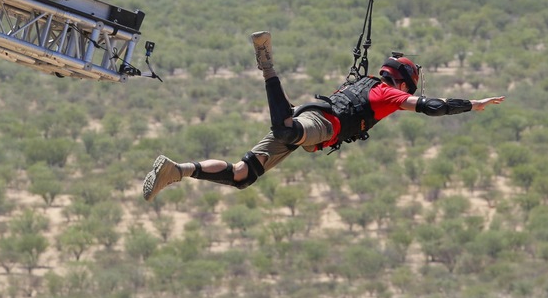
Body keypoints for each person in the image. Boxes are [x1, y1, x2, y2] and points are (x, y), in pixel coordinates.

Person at [142, 31, 504, 201]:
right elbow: (429, 106)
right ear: (405, 82)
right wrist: (472, 104)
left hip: (314, 123)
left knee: (242, 176)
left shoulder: (367, 82)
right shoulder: (387, 94)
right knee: (285, 132)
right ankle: (266, 64)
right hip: (319, 125)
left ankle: (178, 170)